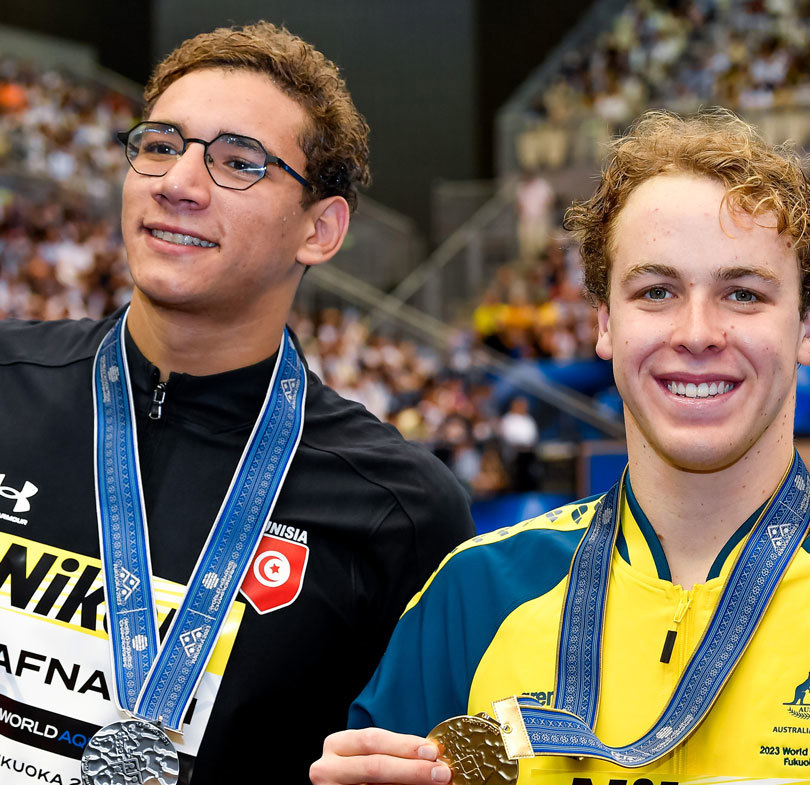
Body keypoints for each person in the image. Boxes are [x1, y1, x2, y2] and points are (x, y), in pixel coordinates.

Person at [310, 109, 810, 784]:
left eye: (743, 292)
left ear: (809, 326)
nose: (696, 333)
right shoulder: (471, 602)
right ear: (605, 324)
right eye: (656, 291)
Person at [0, 22, 472, 784]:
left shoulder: (401, 513)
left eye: (237, 162)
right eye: (160, 145)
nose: (178, 182)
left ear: (319, 230)